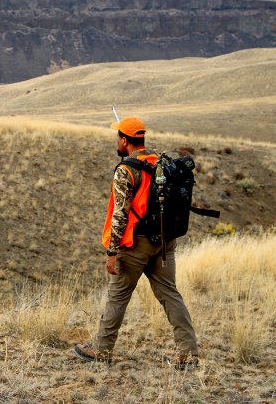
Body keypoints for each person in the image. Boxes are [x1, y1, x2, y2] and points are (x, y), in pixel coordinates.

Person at [72, 116, 199, 369]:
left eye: (117, 138)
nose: (116, 142)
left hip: (134, 245)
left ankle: (101, 350)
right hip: (164, 243)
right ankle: (189, 353)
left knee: (117, 296)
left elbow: (120, 214)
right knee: (171, 295)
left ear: (124, 140)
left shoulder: (126, 170)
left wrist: (112, 251)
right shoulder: (159, 161)